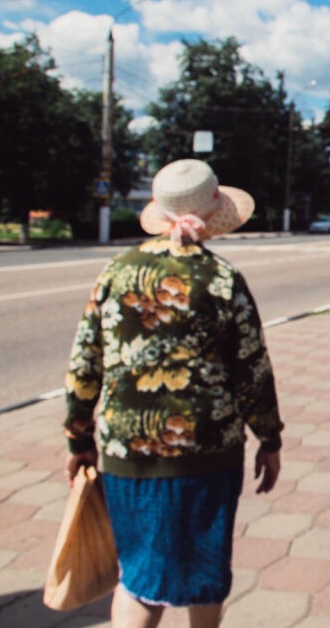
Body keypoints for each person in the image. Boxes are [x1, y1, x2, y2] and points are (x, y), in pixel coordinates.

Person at [63, 159, 284, 628]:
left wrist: (78, 440)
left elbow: (85, 364)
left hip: (129, 450)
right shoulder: (222, 279)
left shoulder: (116, 273)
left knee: (139, 577)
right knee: (205, 571)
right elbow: (253, 371)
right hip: (209, 452)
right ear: (214, 212)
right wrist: (269, 439)